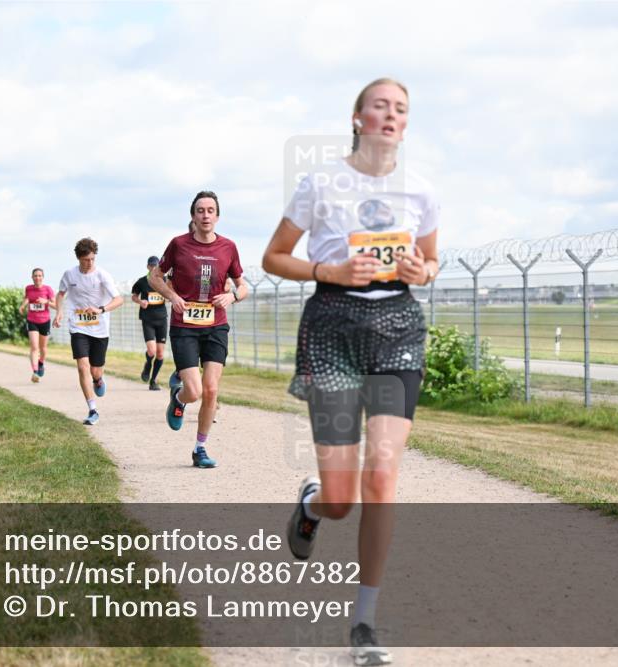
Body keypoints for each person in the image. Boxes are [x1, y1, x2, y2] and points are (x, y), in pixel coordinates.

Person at [262, 78, 439, 666]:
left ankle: (364, 622)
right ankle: (313, 505)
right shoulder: (321, 183)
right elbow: (273, 257)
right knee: (342, 499)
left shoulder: (420, 190)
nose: (391, 116)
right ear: (358, 118)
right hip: (333, 328)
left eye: (401, 110)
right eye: (380, 106)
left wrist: (421, 269)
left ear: (405, 125)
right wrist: (331, 271)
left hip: (398, 331)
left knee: (382, 477)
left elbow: (432, 260)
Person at [150, 191, 247, 469]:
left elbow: (243, 286)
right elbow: (154, 277)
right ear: (193, 216)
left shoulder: (228, 247)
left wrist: (233, 296)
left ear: (217, 216)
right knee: (194, 391)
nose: (205, 215)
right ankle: (179, 399)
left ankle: (200, 448)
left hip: (216, 325)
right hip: (185, 326)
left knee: (212, 390)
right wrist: (172, 297)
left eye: (210, 210)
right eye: (200, 211)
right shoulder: (179, 245)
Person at [53, 238, 123, 425]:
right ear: (79, 258)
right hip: (78, 327)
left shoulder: (102, 275)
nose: (90, 263)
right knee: (82, 366)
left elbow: (118, 300)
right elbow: (60, 294)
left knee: (95, 370)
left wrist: (101, 309)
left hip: (100, 329)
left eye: (92, 259)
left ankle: (98, 380)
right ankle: (92, 409)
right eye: (86, 259)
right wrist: (59, 312)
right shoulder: (69, 275)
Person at [131, 256, 170, 390]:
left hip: (162, 319)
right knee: (151, 351)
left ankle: (153, 381)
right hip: (148, 319)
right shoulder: (142, 281)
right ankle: (148, 365)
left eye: (156, 266)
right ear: (148, 267)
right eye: (151, 266)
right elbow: (134, 296)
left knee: (160, 353)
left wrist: (170, 297)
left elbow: (171, 293)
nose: (154, 268)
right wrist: (140, 302)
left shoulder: (165, 281)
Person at [19, 268, 56, 383]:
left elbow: (55, 305)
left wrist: (46, 302)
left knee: (43, 348)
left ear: (42, 277)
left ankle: (41, 363)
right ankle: (35, 372)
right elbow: (27, 298)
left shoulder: (48, 289)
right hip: (32, 320)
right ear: (32, 277)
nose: (37, 278)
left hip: (45, 321)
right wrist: (23, 305)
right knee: (34, 347)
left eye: (40, 275)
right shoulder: (28, 288)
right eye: (35, 275)